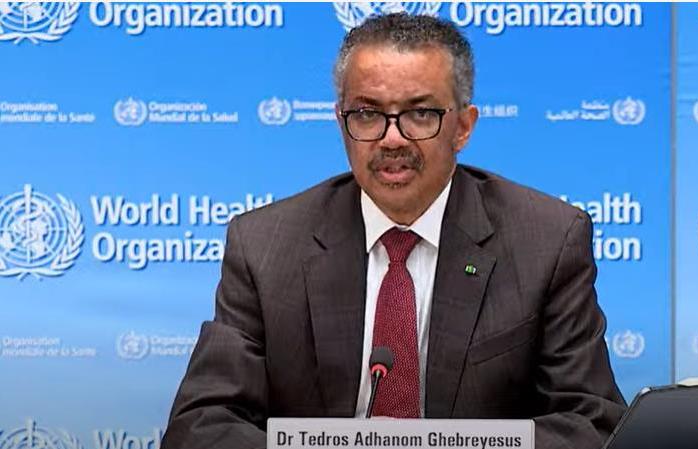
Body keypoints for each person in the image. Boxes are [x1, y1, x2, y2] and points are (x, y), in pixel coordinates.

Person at [162, 13, 625, 449]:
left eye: (420, 114)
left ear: (463, 127)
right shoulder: (265, 246)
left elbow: (591, 423)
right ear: (341, 123)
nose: (392, 138)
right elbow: (201, 425)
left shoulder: (546, 240)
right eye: (367, 114)